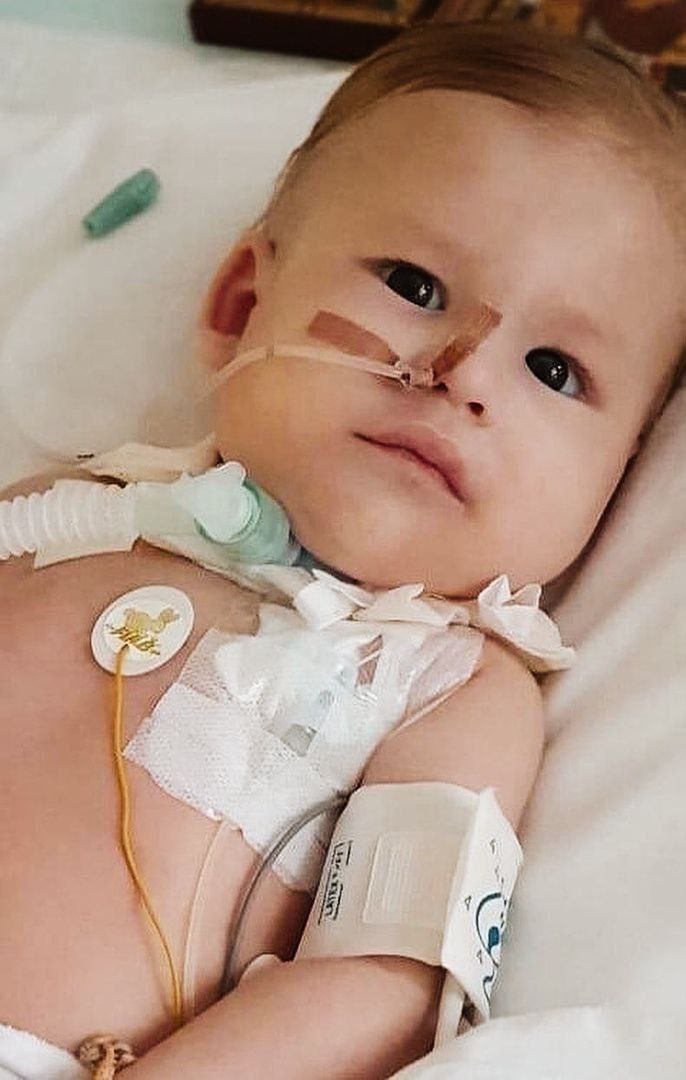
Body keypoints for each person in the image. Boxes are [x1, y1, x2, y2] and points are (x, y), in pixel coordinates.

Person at [1, 19, 684, 1080]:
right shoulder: (70, 511)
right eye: (413, 285)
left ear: (615, 481)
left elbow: (378, 986)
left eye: (552, 369)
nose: (462, 373)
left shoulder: (447, 689)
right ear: (240, 307)